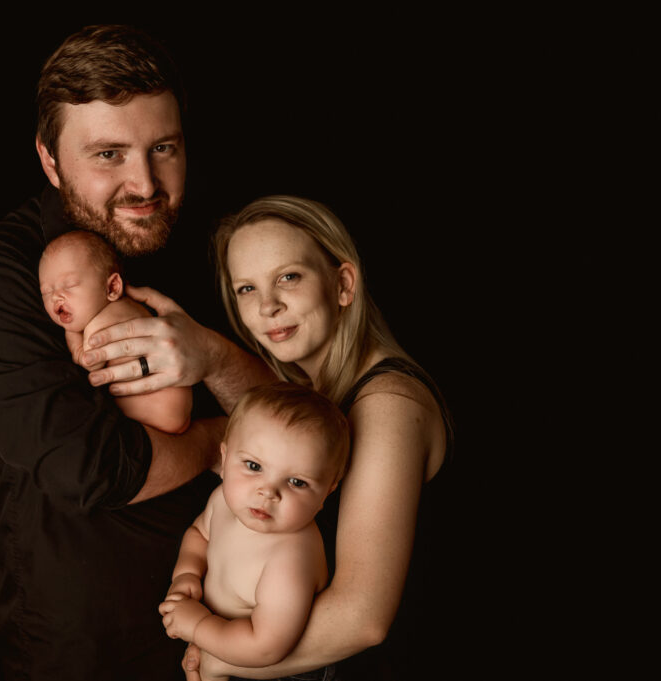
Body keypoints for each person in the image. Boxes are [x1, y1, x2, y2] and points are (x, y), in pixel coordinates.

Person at [0, 24, 272, 681]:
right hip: (90, 657)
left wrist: (213, 357)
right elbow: (91, 471)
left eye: (164, 148)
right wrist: (221, 438)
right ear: (50, 160)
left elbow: (308, 428)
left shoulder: (228, 247)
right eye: (109, 155)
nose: (145, 183)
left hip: (251, 644)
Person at [146, 195, 453, 680]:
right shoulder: (311, 397)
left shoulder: (389, 404)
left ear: (343, 284)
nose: (268, 305)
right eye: (246, 288)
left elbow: (362, 620)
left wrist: (220, 655)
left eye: (289, 276)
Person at [158, 381, 350, 681]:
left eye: (297, 482)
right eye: (253, 465)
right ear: (225, 457)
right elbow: (199, 534)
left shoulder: (290, 557)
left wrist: (198, 627)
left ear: (328, 491)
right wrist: (186, 574)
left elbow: (265, 647)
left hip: (275, 668)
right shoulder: (223, 499)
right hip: (220, 637)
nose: (268, 492)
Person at [38, 229, 192, 433]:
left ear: (112, 288)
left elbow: (89, 363)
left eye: (69, 285)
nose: (56, 296)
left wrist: (72, 337)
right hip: (175, 408)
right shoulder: (129, 308)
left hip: (158, 414)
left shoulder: (101, 325)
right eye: (47, 292)